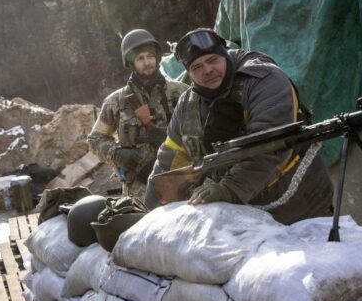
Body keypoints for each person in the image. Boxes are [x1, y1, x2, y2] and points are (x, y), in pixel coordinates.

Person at [144, 28, 334, 224]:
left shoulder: (264, 79)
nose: (207, 70)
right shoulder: (187, 105)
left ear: (225, 54)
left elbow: (271, 146)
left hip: (300, 204)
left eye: (212, 60)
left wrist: (229, 189)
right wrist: (148, 212)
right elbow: (170, 157)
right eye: (197, 67)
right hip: (242, 216)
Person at [88, 29, 189, 199]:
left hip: (183, 182)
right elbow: (95, 139)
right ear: (131, 62)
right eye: (140, 58)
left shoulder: (181, 92)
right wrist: (116, 154)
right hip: (139, 191)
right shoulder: (116, 102)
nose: (147, 62)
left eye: (150, 56)